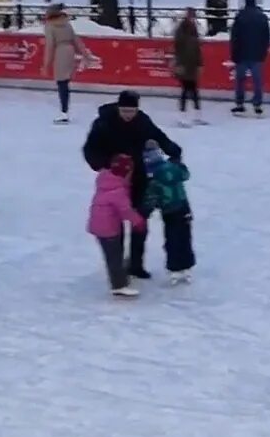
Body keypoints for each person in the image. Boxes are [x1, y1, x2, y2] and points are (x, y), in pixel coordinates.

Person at [82, 91, 183, 280]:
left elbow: (159, 137)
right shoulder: (103, 123)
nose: (128, 114)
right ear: (118, 108)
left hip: (139, 178)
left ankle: (136, 264)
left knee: (139, 221)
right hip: (115, 180)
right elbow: (90, 149)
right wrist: (105, 164)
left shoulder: (143, 121)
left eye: (132, 111)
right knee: (114, 223)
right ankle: (118, 266)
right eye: (124, 110)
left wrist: (174, 151)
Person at [88, 153, 148, 298]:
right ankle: (119, 286)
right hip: (107, 227)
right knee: (114, 257)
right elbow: (126, 211)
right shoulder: (118, 191)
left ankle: (120, 277)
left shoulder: (106, 181)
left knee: (114, 254)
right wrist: (138, 221)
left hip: (99, 224)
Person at [144, 139, 196, 284]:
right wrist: (180, 163)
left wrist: (145, 212)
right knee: (185, 237)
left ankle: (174, 268)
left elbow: (151, 198)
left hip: (169, 213)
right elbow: (185, 175)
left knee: (172, 239)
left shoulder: (153, 180)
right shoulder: (173, 168)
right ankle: (187, 266)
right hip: (184, 207)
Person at [229, 0, 270, 116]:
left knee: (240, 80)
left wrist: (234, 53)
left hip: (241, 54)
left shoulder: (240, 17)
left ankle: (240, 103)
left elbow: (234, 37)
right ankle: (257, 104)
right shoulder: (262, 17)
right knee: (257, 81)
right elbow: (266, 37)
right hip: (257, 54)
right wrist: (263, 52)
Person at [42, 2, 79, 124]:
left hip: (60, 52)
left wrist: (46, 64)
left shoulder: (50, 26)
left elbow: (50, 46)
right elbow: (76, 40)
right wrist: (85, 55)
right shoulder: (66, 23)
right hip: (70, 52)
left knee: (61, 83)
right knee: (65, 82)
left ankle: (64, 112)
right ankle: (64, 110)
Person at [173, 8, 204, 120]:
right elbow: (178, 48)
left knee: (192, 89)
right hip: (185, 63)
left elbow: (197, 48)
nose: (192, 18)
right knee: (187, 89)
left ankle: (193, 114)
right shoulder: (182, 29)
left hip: (191, 64)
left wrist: (199, 64)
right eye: (191, 15)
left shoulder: (192, 29)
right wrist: (179, 64)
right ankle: (185, 115)